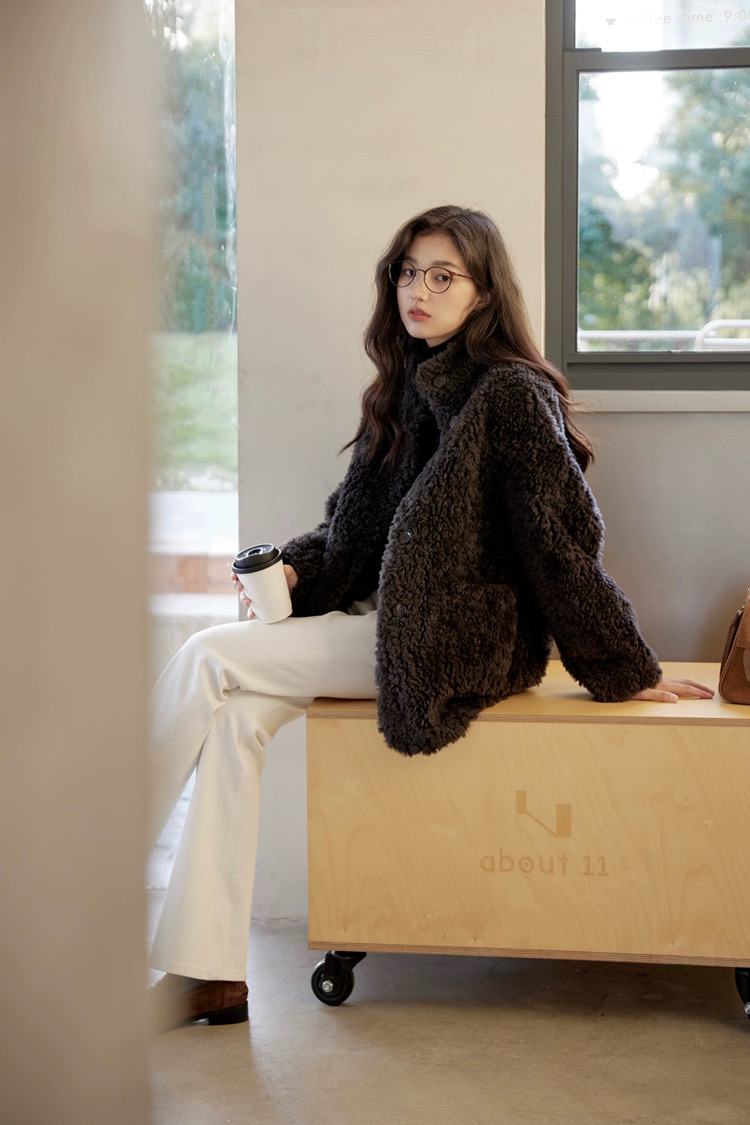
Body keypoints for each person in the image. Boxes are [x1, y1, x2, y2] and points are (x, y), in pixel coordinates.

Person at [148, 204, 714, 1030]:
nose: (419, 288)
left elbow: (558, 545)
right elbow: (353, 532)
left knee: (209, 656)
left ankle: (76, 886)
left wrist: (623, 669)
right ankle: (208, 972)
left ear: (484, 292)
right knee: (236, 717)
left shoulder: (510, 394)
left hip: (451, 640)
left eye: (443, 275)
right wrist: (298, 567)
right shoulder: (406, 388)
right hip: (380, 619)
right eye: (409, 272)